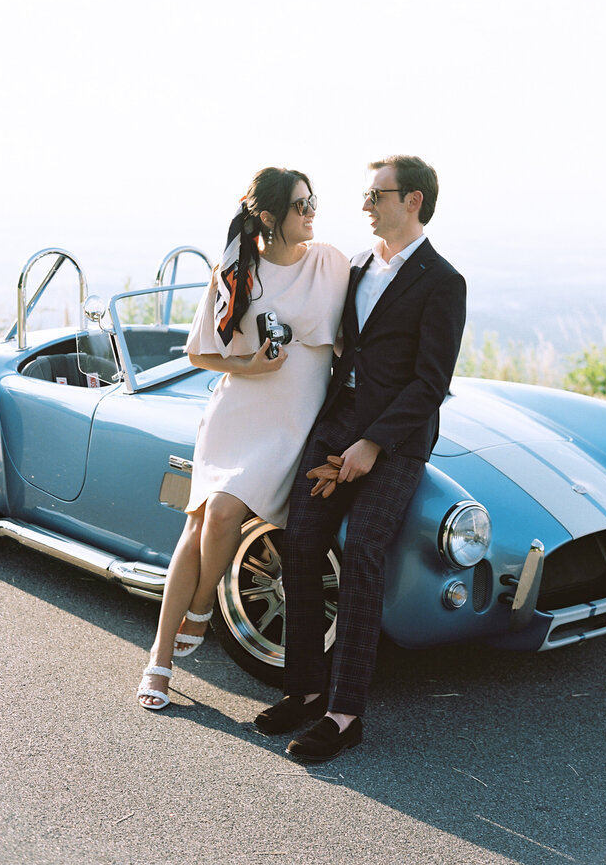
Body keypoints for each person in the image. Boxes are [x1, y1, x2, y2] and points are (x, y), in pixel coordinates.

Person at [255, 155, 466, 760]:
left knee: (365, 552)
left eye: (379, 194)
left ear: (413, 202)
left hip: (396, 441)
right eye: (368, 194)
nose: (366, 204)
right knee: (297, 542)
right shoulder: (351, 265)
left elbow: (431, 382)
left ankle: (345, 714)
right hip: (334, 426)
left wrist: (372, 444)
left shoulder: (444, 282)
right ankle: (302, 693)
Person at [137, 167, 349, 711]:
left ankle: (202, 606)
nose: (311, 212)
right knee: (203, 518)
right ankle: (160, 658)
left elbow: (355, 336)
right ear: (268, 217)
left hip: (295, 422)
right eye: (301, 205)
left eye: (312, 202)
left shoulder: (331, 262)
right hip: (239, 413)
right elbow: (200, 352)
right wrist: (252, 365)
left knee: (221, 512)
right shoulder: (236, 271)